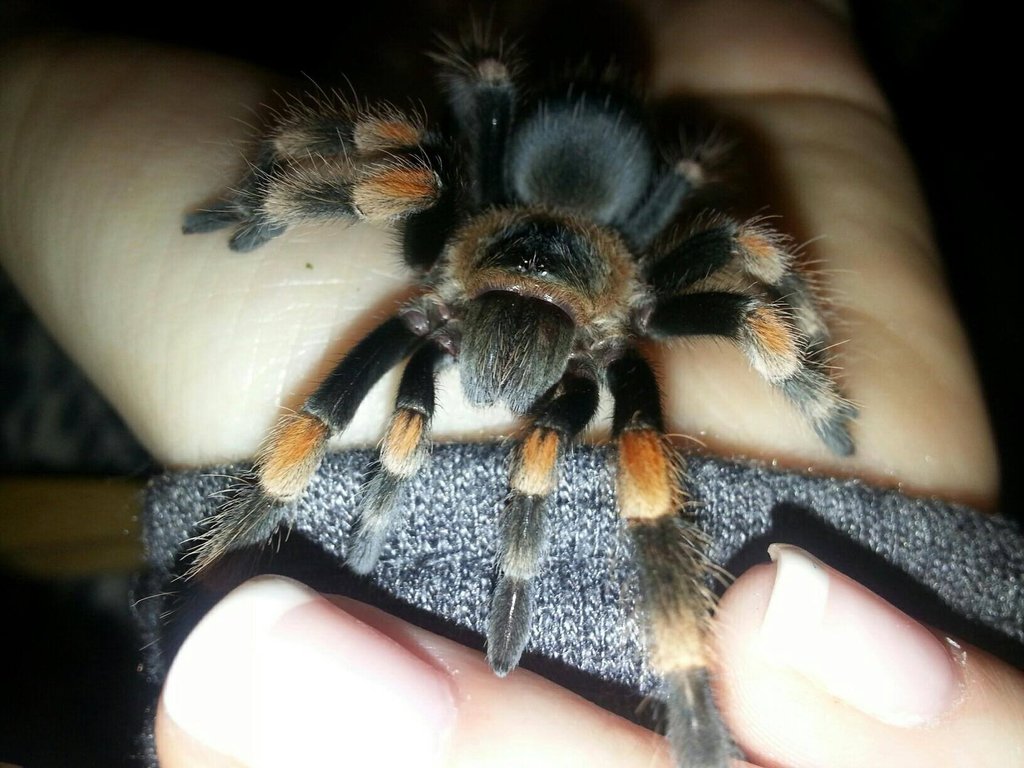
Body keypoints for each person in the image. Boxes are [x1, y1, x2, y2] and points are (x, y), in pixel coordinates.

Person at [1, 1, 1019, 765]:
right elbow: (387, 153)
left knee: (726, 305)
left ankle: (687, 696)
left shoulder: (640, 301)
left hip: (599, 264)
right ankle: (220, 541)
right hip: (525, 221)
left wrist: (816, 400)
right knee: (400, 173)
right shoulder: (445, 243)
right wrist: (263, 204)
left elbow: (760, 279)